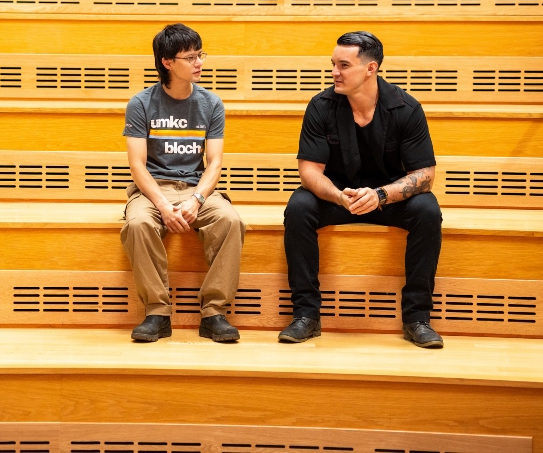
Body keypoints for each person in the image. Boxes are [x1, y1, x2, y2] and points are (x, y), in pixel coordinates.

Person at [281, 31, 444, 349]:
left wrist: (382, 195)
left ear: (371, 68)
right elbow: (309, 172)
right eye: (333, 64)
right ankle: (306, 315)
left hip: (389, 198)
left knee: (427, 209)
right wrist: (339, 196)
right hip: (339, 197)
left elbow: (425, 174)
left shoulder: (406, 108)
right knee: (299, 207)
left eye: (343, 65)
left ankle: (417, 319)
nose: (334, 72)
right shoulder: (321, 105)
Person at [120, 23, 246, 343]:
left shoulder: (211, 104)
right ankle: (157, 313)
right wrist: (162, 205)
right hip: (152, 188)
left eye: (200, 55)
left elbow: (214, 162)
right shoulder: (141, 103)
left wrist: (197, 200)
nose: (199, 63)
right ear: (167, 62)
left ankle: (214, 313)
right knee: (137, 224)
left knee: (230, 220)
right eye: (190, 57)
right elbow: (137, 165)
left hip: (195, 187)